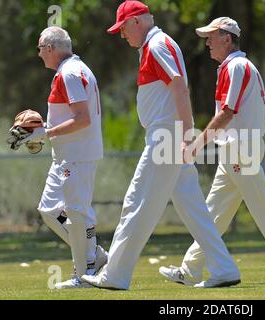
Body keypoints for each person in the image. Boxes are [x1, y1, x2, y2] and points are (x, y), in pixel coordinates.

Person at [81, 1, 240, 290]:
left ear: (136, 21)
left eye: (123, 28)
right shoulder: (156, 44)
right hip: (170, 136)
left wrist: (186, 134)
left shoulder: (156, 45)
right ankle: (225, 268)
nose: (122, 35)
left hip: (166, 137)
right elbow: (177, 86)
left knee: (136, 204)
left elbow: (179, 85)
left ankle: (115, 275)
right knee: (194, 210)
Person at [159, 17, 265, 285]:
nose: (207, 42)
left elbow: (228, 112)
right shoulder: (232, 66)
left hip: (242, 148)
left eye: (212, 37)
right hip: (236, 148)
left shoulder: (236, 66)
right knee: (214, 213)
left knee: (263, 208)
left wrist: (197, 143)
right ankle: (190, 269)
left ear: (227, 39)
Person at [19, 26, 107, 288]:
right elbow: (71, 116)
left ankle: (85, 274)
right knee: (48, 209)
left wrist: (44, 133)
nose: (39, 55)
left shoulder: (69, 73)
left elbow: (82, 119)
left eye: (40, 49)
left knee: (77, 214)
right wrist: (41, 129)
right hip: (66, 155)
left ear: (50, 48)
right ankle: (94, 255)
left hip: (77, 155)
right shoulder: (71, 70)